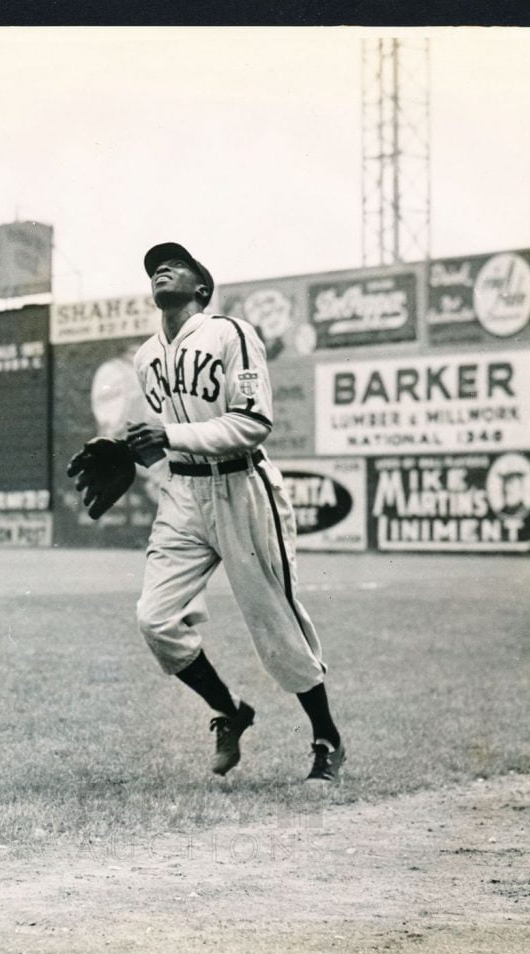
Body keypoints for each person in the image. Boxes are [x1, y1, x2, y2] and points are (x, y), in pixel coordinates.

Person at [125, 242, 345, 782]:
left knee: (274, 619)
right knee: (155, 619)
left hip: (242, 485)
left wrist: (170, 435)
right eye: (154, 267)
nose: (161, 271)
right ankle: (230, 710)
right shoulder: (144, 358)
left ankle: (326, 736)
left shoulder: (230, 333)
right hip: (182, 493)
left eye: (174, 264)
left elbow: (252, 421)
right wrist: (132, 452)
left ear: (202, 287)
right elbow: (161, 440)